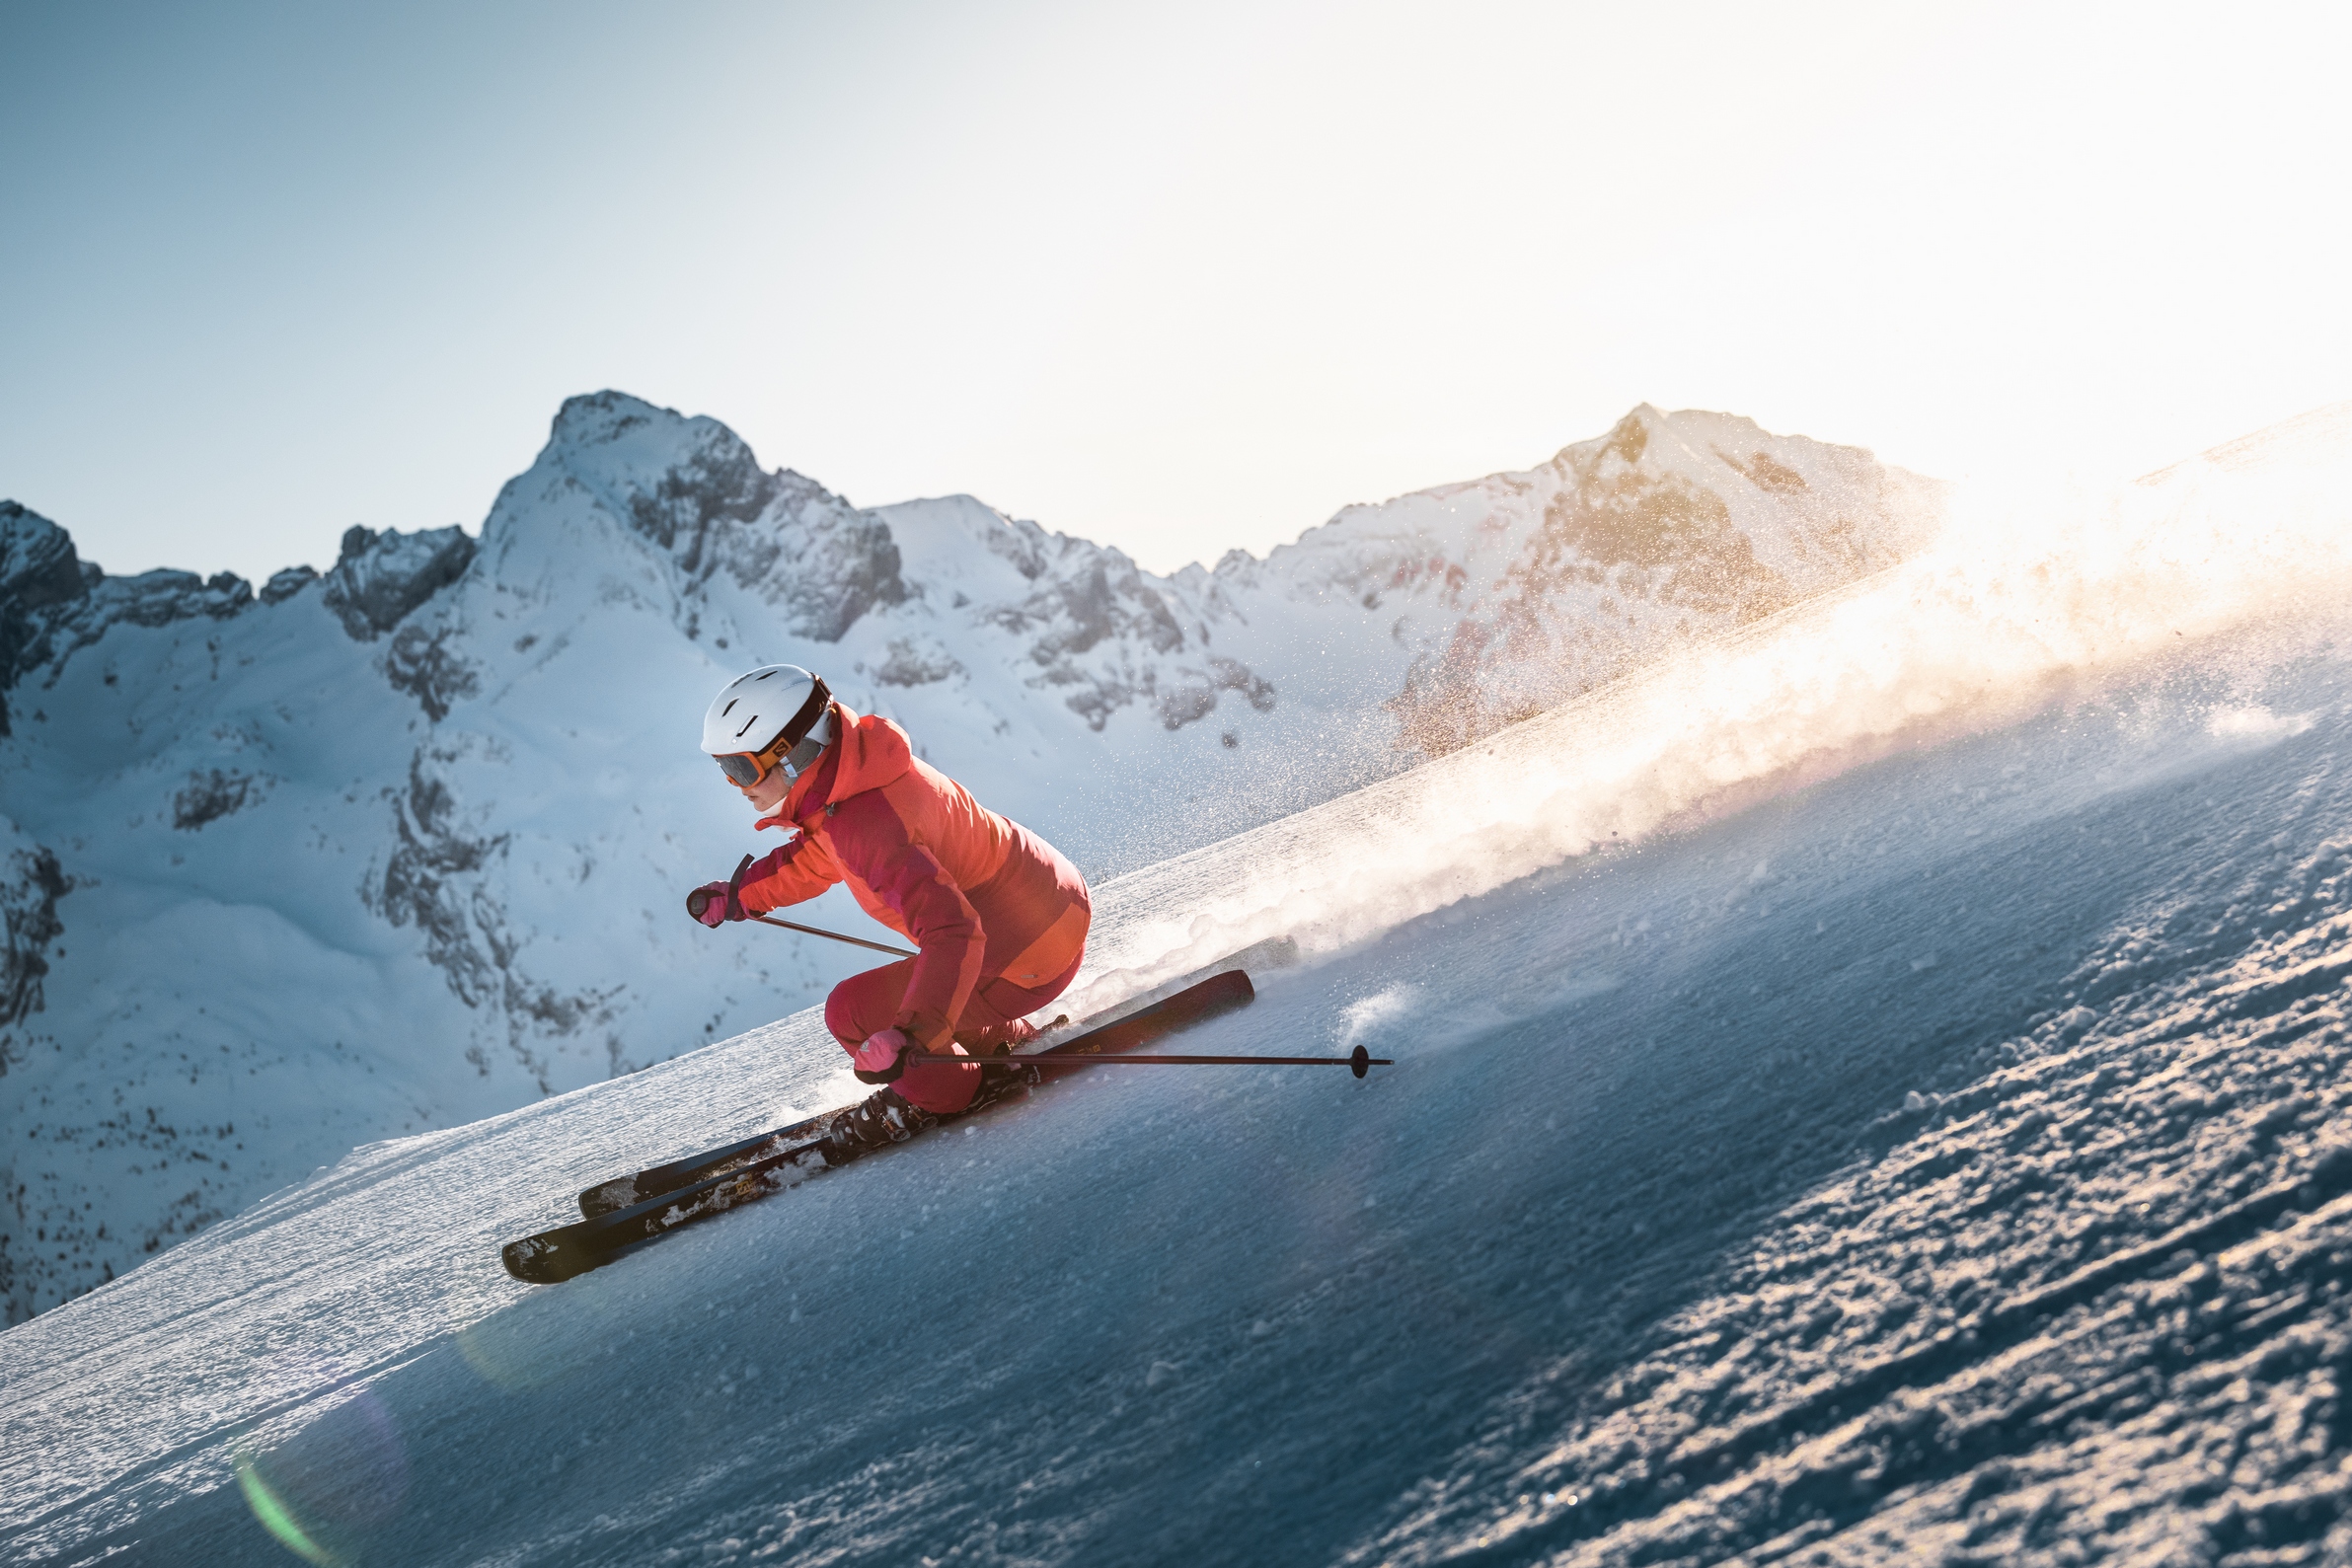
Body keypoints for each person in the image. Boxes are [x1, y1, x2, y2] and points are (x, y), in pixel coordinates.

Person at [689, 664, 1091, 1155]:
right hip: (1048, 903)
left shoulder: (866, 822)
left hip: (1024, 952)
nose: (735, 785)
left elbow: (952, 931)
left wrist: (912, 1039)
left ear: (791, 755)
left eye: (741, 769)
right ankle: (1001, 1039)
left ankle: (943, 1093)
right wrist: (741, 895)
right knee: (917, 985)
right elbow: (819, 855)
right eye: (724, 769)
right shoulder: (853, 780)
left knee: (851, 1013)